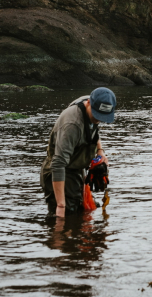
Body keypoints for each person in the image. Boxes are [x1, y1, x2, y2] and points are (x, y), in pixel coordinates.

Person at [40, 87, 116, 218]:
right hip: (59, 172)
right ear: (88, 103)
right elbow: (58, 164)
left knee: (85, 211)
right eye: (97, 115)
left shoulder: (95, 102)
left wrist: (100, 152)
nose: (99, 120)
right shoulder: (72, 125)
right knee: (66, 218)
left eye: (103, 117)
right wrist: (61, 206)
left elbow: (94, 129)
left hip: (76, 169)